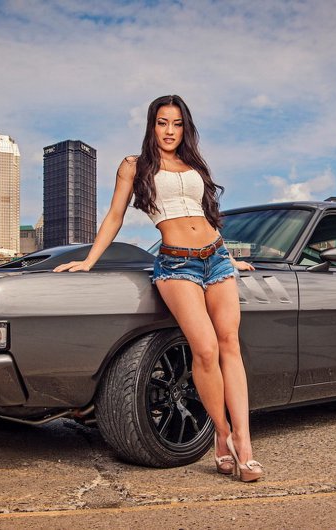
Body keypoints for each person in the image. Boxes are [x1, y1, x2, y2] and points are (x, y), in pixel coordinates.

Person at [53, 95, 264, 482]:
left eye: (177, 124)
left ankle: (244, 443)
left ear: (185, 128)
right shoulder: (134, 166)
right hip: (176, 264)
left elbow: (205, 216)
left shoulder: (194, 165)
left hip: (217, 258)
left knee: (230, 345)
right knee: (205, 349)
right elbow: (114, 215)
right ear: (152, 126)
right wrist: (89, 260)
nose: (170, 131)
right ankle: (222, 433)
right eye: (163, 122)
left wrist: (230, 259)